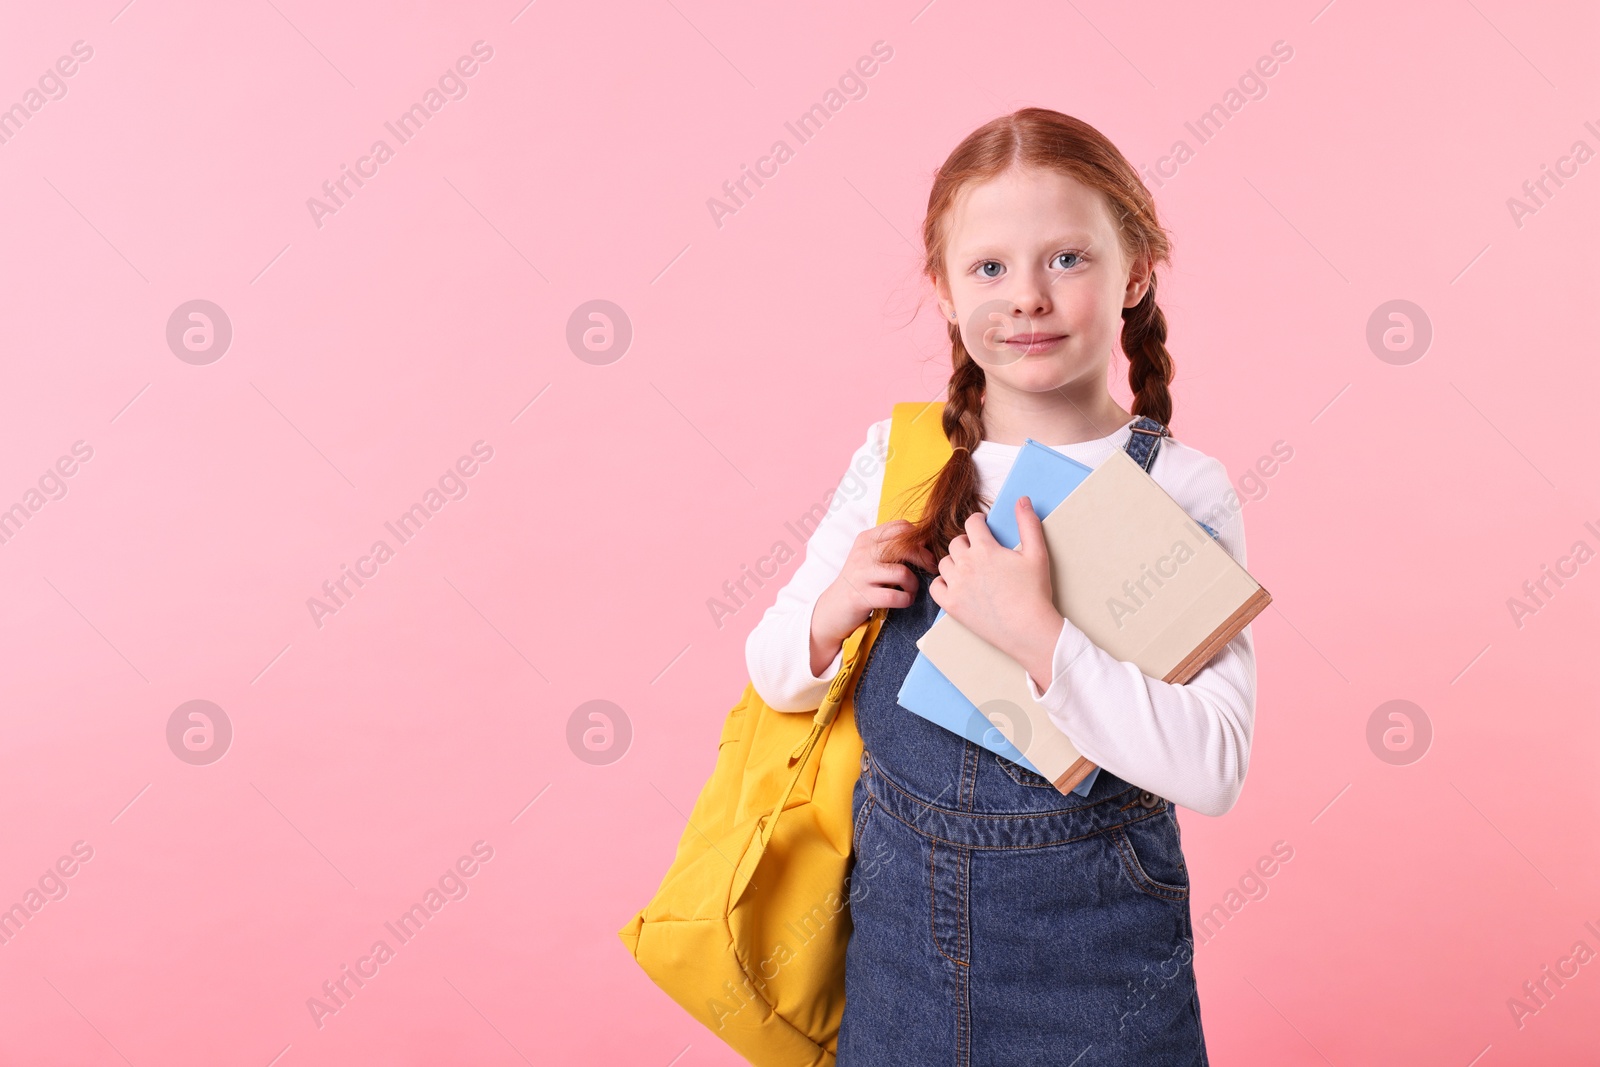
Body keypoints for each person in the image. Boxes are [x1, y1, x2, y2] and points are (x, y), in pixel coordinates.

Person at [743, 107, 1256, 1065]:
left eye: (1067, 258)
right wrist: (834, 608)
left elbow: (1214, 764)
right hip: (899, 968)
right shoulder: (900, 460)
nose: (1027, 296)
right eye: (988, 268)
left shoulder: (1182, 489)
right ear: (941, 290)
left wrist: (1043, 637)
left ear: (1136, 271)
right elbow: (776, 675)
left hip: (1101, 974)